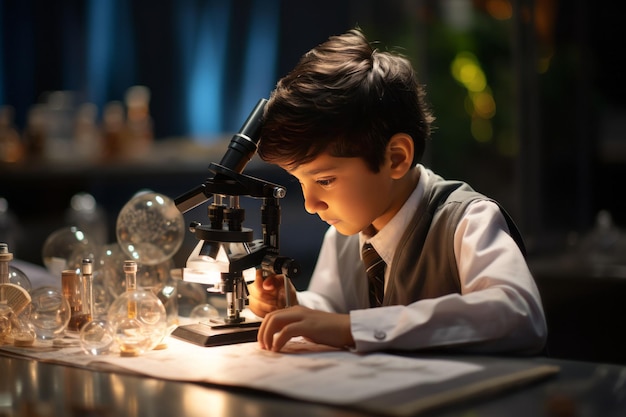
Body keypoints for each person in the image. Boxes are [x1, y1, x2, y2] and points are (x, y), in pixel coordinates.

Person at [248, 27, 547, 355]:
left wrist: (353, 329)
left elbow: (517, 314)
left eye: (324, 181)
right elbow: (332, 306)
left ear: (396, 158)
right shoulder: (347, 231)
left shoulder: (466, 221)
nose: (310, 204)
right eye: (301, 182)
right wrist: (294, 304)